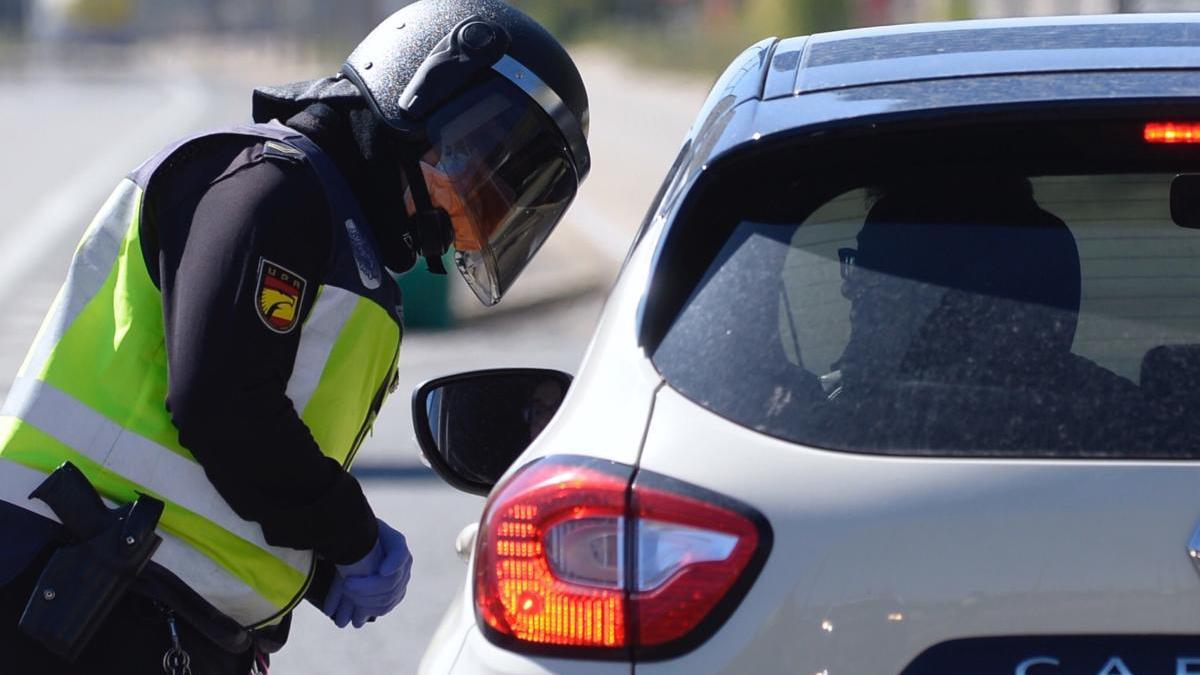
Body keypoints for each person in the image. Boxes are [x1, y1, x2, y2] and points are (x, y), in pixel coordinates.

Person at [0, 0, 591, 672]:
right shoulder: (270, 187)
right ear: (421, 92)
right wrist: (347, 531)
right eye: (473, 176)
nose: (465, 218)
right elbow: (221, 401)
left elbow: (205, 478)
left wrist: (310, 562)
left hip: (133, 607)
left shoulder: (340, 240)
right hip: (64, 597)